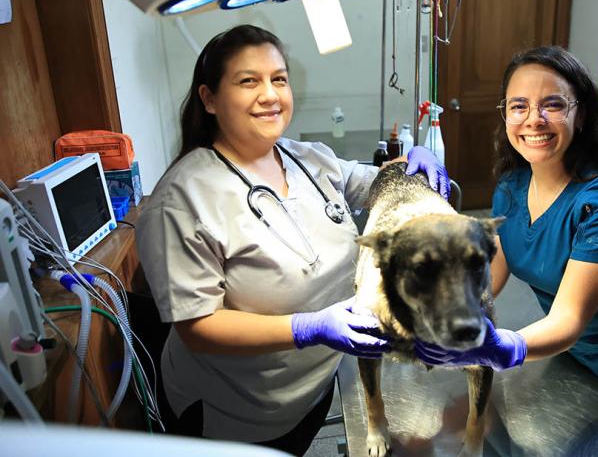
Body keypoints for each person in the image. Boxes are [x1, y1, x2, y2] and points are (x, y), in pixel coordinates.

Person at [135, 24, 449, 455]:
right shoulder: (181, 201)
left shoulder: (307, 158)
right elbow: (197, 327)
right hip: (233, 415)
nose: (270, 95)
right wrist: (308, 327)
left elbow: (373, 183)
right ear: (209, 99)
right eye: (249, 81)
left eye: (279, 79)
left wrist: (411, 163)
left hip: (312, 390)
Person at [414, 45, 598, 453]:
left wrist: (497, 348)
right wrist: (442, 312)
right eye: (519, 106)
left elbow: (569, 319)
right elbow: (491, 272)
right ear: (505, 115)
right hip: (578, 360)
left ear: (580, 114)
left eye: (552, 104)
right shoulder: (512, 186)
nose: (534, 119)